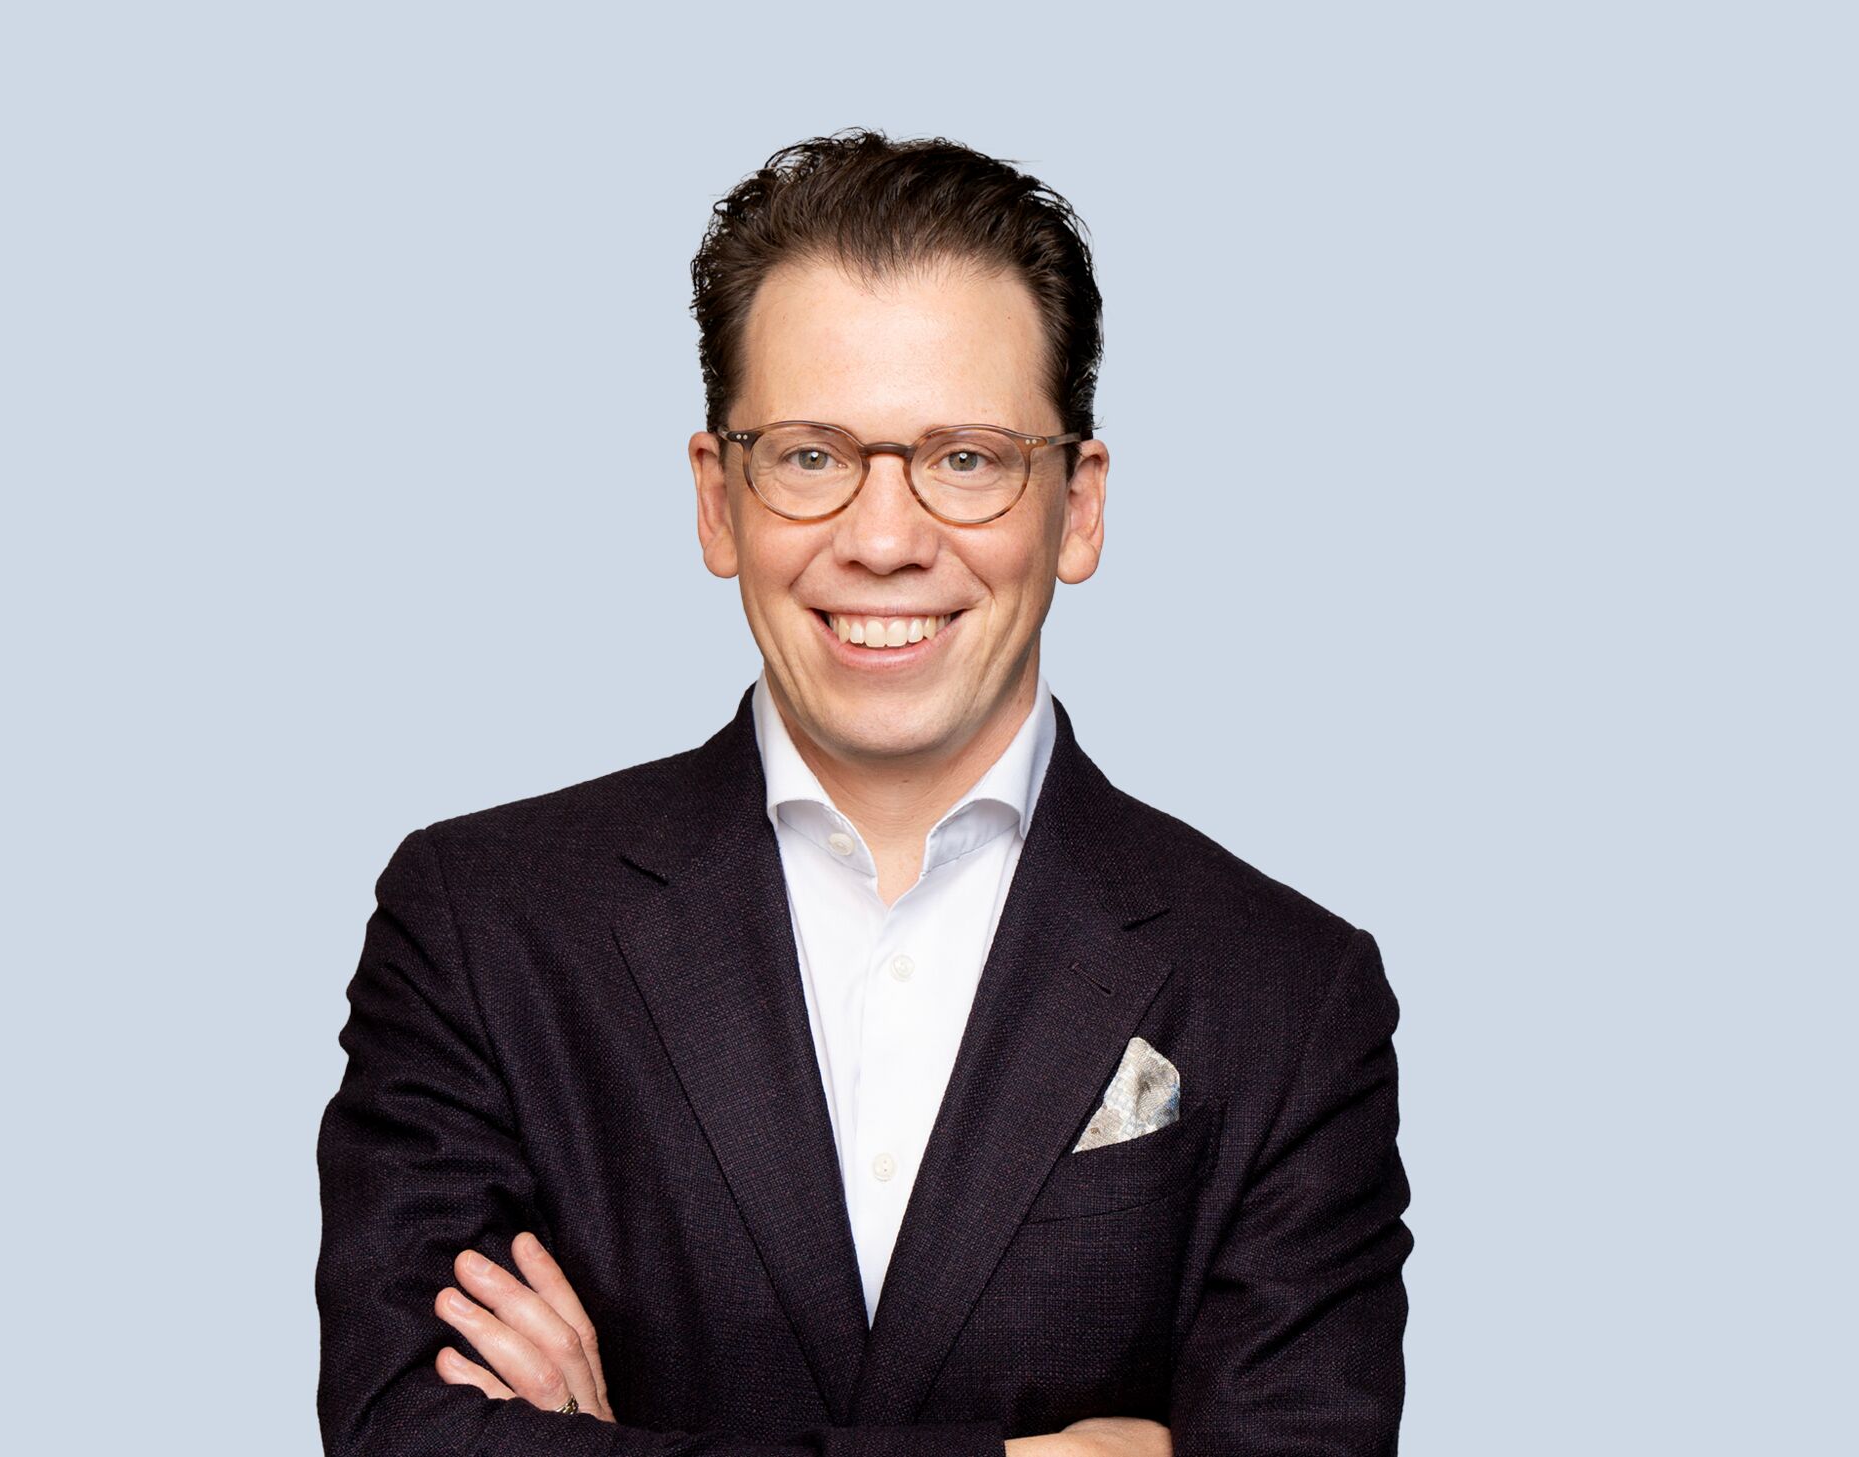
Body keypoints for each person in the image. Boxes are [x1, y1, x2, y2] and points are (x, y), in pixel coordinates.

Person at [316, 130, 1413, 1457]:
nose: (884, 540)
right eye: (812, 454)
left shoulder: (1288, 993)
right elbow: (406, 1440)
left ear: (1077, 507)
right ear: (719, 501)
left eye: (964, 457)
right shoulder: (481, 930)